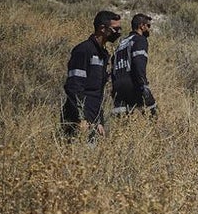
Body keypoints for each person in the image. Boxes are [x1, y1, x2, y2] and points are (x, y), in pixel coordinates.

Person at [61, 10, 121, 141]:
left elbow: (98, 92)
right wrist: (81, 117)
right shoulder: (83, 50)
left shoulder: (103, 54)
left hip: (94, 120)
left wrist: (99, 120)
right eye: (115, 29)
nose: (118, 32)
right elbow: (74, 86)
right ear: (102, 29)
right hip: (79, 121)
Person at [111, 13, 158, 118]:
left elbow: (113, 62)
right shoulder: (140, 40)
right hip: (132, 83)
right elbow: (138, 63)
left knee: (121, 121)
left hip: (118, 85)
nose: (149, 29)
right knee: (152, 113)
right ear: (142, 26)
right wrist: (143, 84)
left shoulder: (122, 42)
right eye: (148, 26)